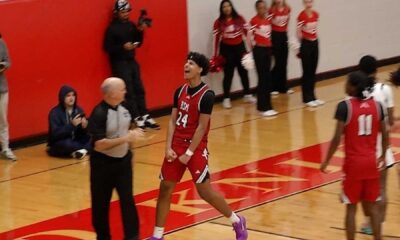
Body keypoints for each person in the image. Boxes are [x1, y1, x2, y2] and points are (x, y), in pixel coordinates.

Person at [149, 52, 248, 240]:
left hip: (195, 148)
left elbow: (202, 127)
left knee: (205, 192)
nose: (186, 65)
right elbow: (172, 121)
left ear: (200, 69)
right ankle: (158, 235)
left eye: (191, 63)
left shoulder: (207, 95)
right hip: (176, 145)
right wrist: (167, 147)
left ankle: (236, 220)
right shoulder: (179, 91)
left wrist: (189, 152)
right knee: (165, 188)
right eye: (185, 62)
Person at [320, 71, 388, 240]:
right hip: (371, 163)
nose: (345, 85)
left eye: (347, 82)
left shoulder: (344, 106)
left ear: (352, 87)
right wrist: (383, 155)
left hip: (353, 165)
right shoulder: (377, 106)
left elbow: (336, 138)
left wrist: (326, 161)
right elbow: (385, 133)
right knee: (372, 208)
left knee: (351, 208)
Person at [88, 77, 144, 240]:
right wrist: (126, 139)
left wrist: (131, 153)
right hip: (102, 166)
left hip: (123, 162)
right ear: (112, 93)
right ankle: (103, 236)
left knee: (128, 200)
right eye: (122, 89)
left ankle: (132, 237)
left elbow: (130, 129)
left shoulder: (126, 107)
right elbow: (99, 144)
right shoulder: (98, 113)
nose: (125, 91)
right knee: (100, 204)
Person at [104, 0, 160, 130]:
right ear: (117, 13)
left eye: (127, 12)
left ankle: (145, 114)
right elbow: (107, 47)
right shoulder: (112, 28)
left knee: (139, 88)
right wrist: (122, 47)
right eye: (122, 12)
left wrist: (140, 30)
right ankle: (136, 117)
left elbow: (138, 42)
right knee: (128, 90)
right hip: (119, 62)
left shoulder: (131, 25)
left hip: (132, 60)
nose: (125, 14)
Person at [358, 55, 395, 235]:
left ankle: (368, 221)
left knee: (365, 190)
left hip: (362, 147)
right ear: (376, 70)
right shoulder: (385, 89)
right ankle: (378, 224)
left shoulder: (355, 89)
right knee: (382, 189)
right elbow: (390, 120)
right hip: (381, 145)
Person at [213, 0, 256, 109]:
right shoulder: (218, 22)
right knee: (228, 74)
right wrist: (215, 55)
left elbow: (247, 33)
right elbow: (216, 39)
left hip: (240, 47)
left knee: (243, 72)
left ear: (232, 7)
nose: (227, 8)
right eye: (224, 7)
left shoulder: (239, 18)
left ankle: (247, 95)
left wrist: (251, 50)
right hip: (226, 50)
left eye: (228, 6)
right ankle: (226, 98)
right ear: (221, 9)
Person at [249, 0, 277, 117]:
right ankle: (262, 107)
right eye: (260, 8)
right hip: (259, 51)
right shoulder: (253, 21)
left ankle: (268, 105)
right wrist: (251, 53)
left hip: (267, 50)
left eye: (264, 7)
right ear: (257, 9)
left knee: (268, 78)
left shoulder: (268, 20)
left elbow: (269, 36)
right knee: (262, 78)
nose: (263, 10)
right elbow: (249, 38)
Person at [47, 85, 91, 159]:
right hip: (61, 141)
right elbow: (55, 134)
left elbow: (83, 133)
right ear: (62, 97)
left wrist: (85, 127)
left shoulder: (78, 110)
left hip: (76, 140)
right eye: (68, 96)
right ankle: (84, 150)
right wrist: (71, 126)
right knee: (67, 144)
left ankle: (79, 151)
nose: (71, 98)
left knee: (94, 139)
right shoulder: (54, 113)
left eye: (73, 95)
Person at [297, 0, 324, 107]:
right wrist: (301, 46)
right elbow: (298, 32)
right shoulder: (301, 16)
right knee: (306, 70)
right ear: (304, 3)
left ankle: (313, 96)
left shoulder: (316, 14)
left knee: (313, 70)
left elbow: (314, 29)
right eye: (307, 2)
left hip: (315, 43)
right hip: (305, 43)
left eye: (310, 1)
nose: (309, 4)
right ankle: (306, 98)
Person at [269, 0, 294, 95]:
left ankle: (283, 87)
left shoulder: (288, 9)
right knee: (278, 62)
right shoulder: (271, 10)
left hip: (284, 36)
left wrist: (285, 34)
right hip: (275, 37)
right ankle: (272, 86)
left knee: (284, 62)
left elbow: (287, 23)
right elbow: (269, 25)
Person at [0, 33, 16, 161]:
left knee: (3, 120)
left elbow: (8, 62)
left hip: (2, 89)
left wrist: (3, 65)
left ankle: (5, 148)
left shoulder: (1, 43)